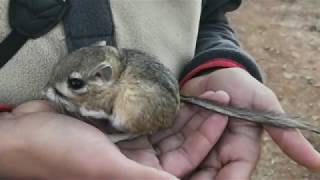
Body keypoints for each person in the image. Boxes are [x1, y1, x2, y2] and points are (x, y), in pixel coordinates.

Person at [0, 0, 319, 179]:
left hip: (158, 148)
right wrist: (9, 144)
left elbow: (208, 18)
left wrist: (214, 65)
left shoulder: (109, 83)